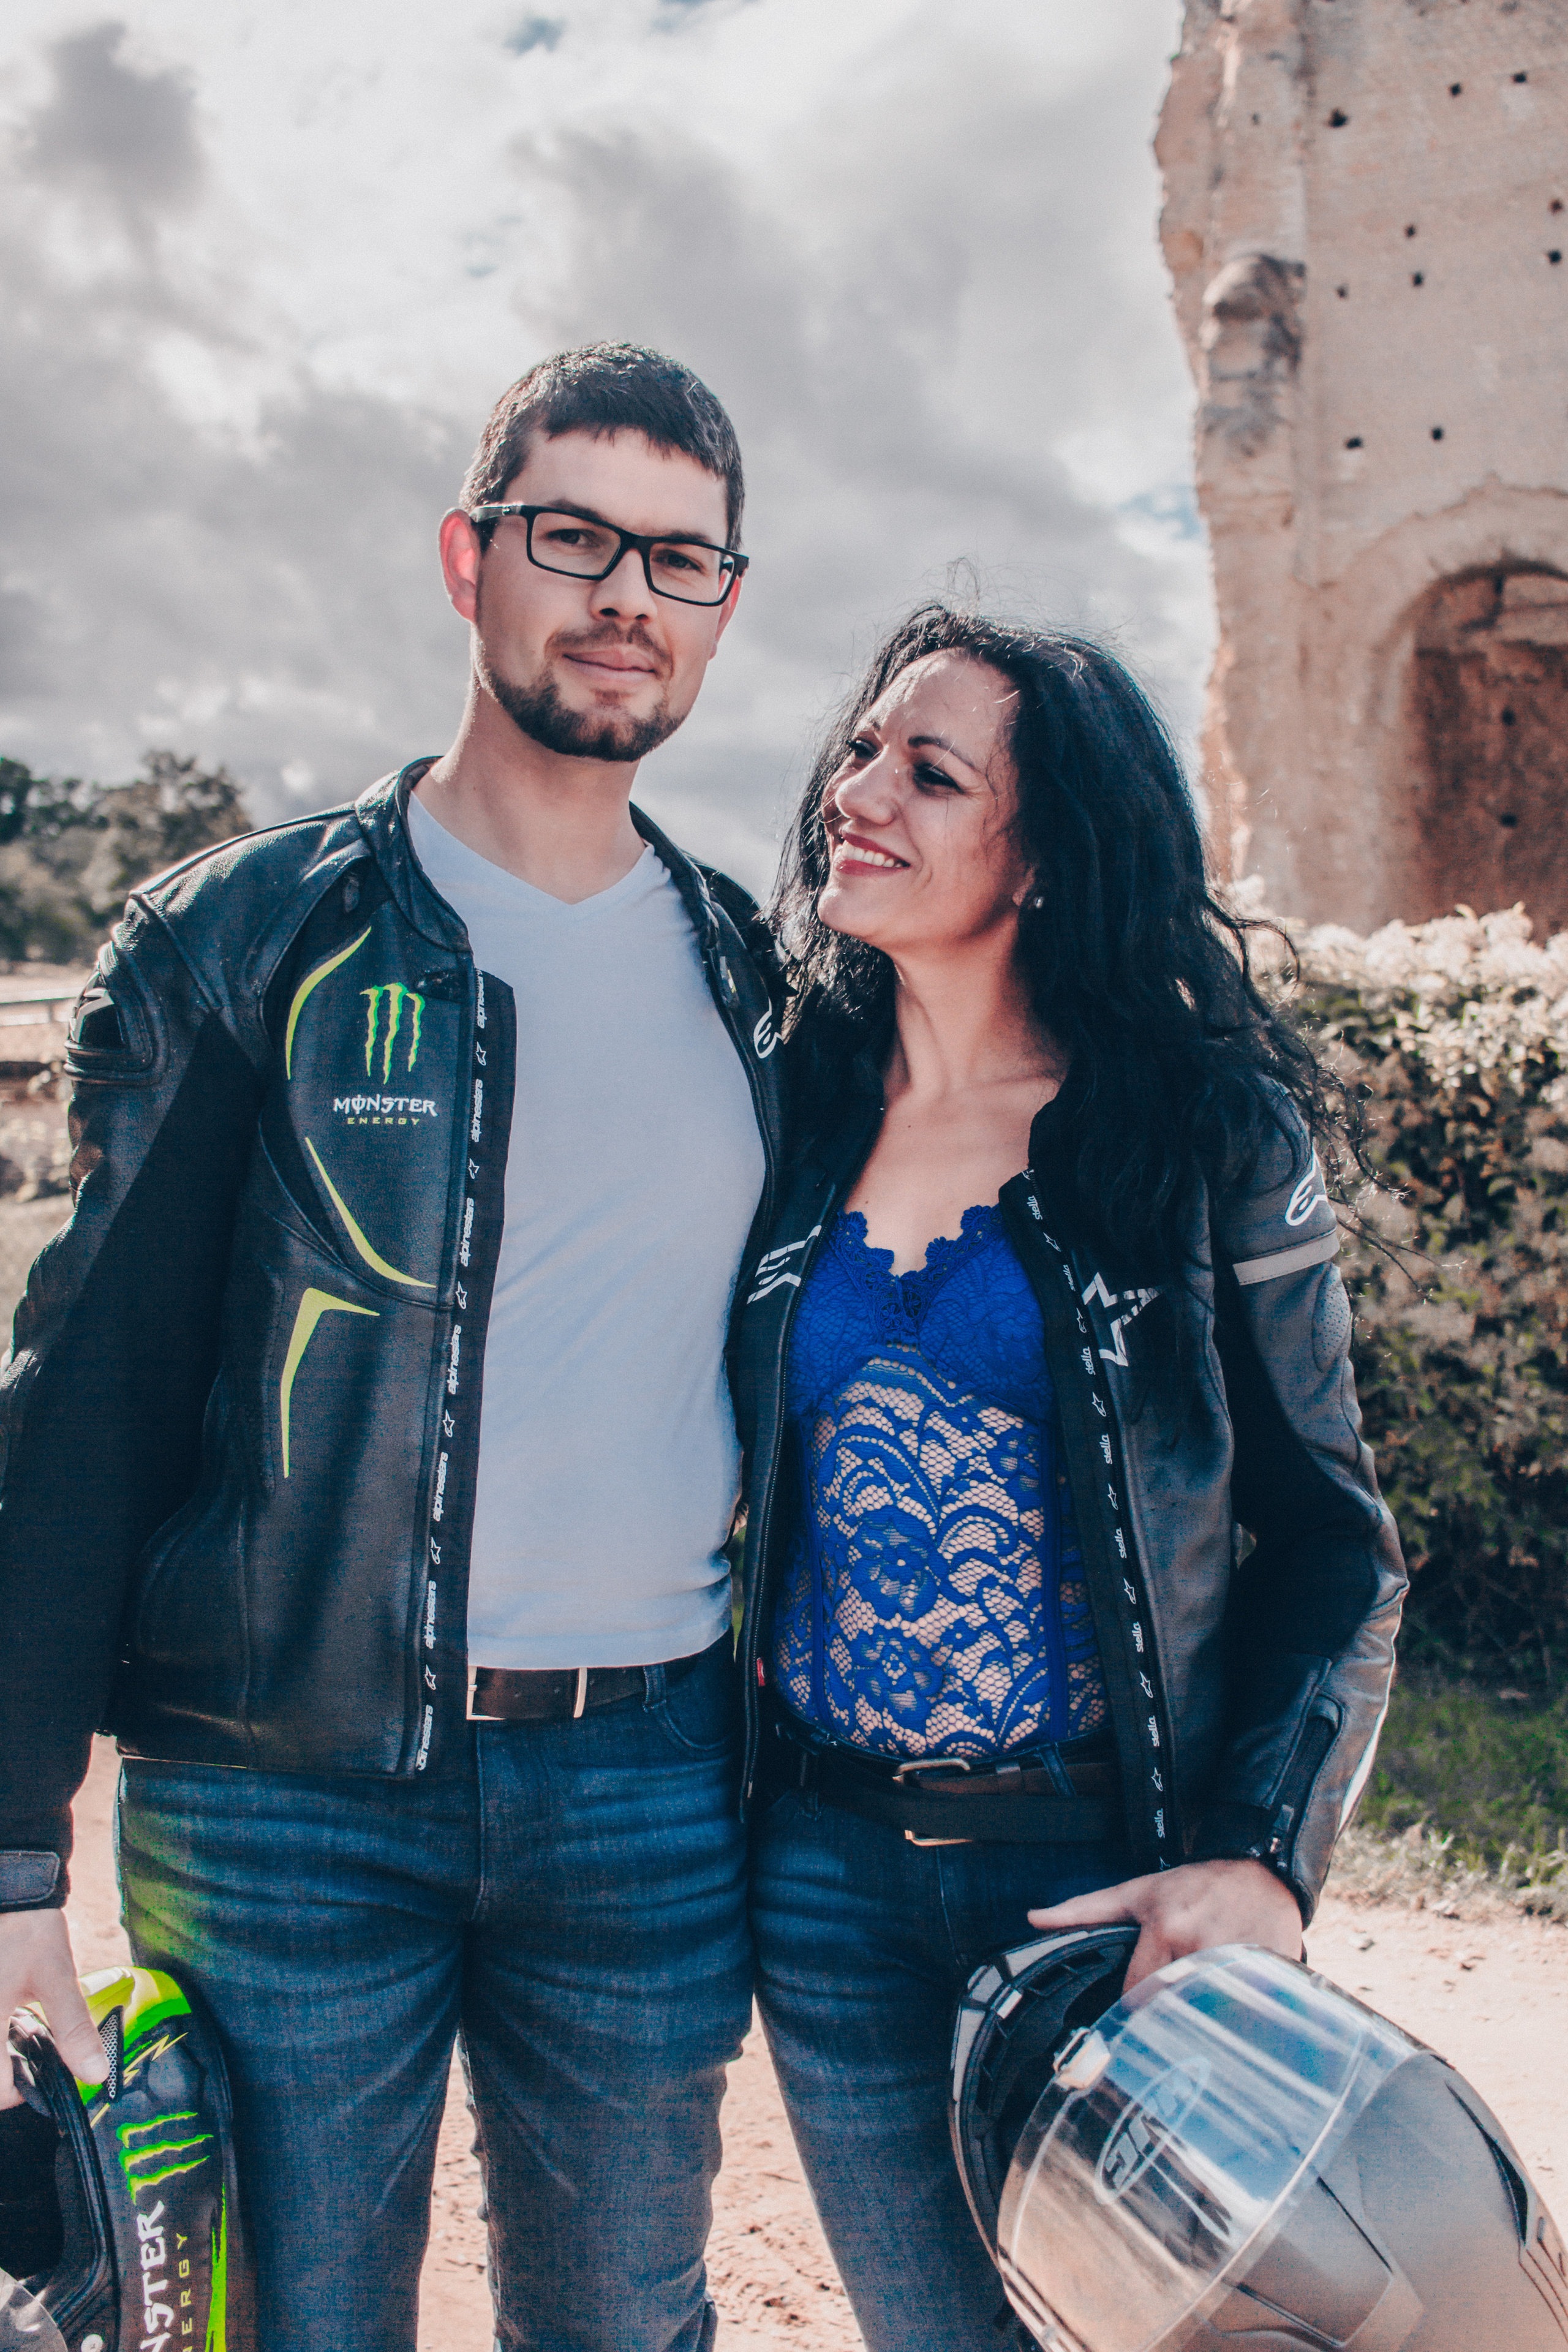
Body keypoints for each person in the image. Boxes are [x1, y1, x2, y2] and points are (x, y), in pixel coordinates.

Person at [0, 342, 784, 2352]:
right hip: (281, 1797)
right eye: (576, 536)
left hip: (649, 1786)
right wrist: (13, 1849)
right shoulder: (245, 938)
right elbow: (85, 1401)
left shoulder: (759, 979)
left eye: (679, 560)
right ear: (470, 559)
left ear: (722, 608)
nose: (627, 596)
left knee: (629, 2329)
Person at [728, 605, 1406, 2352]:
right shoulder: (786, 1111)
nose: (857, 790)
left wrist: (1265, 1858)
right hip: (818, 1880)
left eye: (930, 771)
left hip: (1096, 1889)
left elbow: (1333, 1544)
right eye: (864, 748)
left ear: (1043, 857)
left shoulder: (1198, 1133)